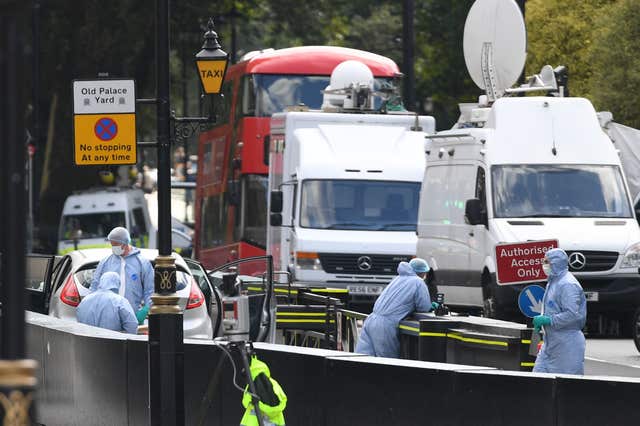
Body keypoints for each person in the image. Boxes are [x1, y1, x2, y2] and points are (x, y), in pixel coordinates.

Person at [355, 258, 438, 358]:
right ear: (422, 272)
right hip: (385, 326)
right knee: (388, 364)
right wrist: (431, 306)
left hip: (371, 320)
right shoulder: (418, 282)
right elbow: (423, 307)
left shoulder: (398, 278)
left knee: (364, 360)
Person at [533, 248, 587, 375]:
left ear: (556, 263)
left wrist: (549, 320)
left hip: (567, 346)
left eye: (546, 262)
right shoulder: (553, 282)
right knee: (537, 381)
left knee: (566, 388)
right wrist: (543, 320)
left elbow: (572, 315)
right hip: (551, 344)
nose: (544, 265)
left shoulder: (567, 284)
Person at [90, 226, 154, 325]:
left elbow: (150, 290)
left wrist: (145, 309)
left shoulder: (142, 263)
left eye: (115, 244)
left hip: (133, 317)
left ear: (125, 244)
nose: (113, 248)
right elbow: (94, 287)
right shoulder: (105, 262)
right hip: (107, 318)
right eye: (112, 245)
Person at [240, 355, 287, 426]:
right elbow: (282, 400)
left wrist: (257, 404)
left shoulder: (251, 386)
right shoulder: (275, 384)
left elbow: (245, 402)